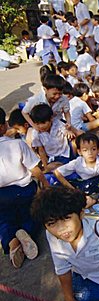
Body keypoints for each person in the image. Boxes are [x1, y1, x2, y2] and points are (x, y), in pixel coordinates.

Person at [0, 107, 48, 268]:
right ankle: (26, 232)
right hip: (25, 190)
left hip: (2, 195)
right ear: (3, 126)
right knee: (32, 215)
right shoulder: (17, 144)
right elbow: (35, 169)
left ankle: (12, 241)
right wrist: (45, 186)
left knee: (5, 221)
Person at [54, 132, 99, 208]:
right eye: (85, 150)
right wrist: (72, 189)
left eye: (93, 149)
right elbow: (57, 172)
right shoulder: (77, 162)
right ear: (79, 152)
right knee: (56, 186)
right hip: (84, 185)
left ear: (98, 149)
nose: (90, 153)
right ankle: (86, 199)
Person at [30, 104, 80, 172]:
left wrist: (68, 132)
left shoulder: (57, 123)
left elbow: (65, 130)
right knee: (55, 168)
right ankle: (71, 166)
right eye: (37, 124)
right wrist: (46, 166)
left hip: (67, 151)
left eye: (43, 123)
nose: (40, 126)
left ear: (51, 119)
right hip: (54, 157)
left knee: (75, 140)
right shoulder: (36, 133)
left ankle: (75, 160)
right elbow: (41, 151)